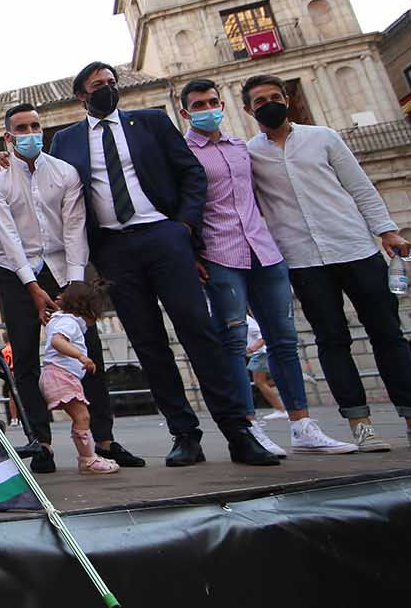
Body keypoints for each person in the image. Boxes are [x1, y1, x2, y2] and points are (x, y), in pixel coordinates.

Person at [47, 61, 276, 467]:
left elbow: (191, 174)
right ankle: (184, 434)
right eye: (98, 85)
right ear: (82, 95)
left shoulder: (150, 122)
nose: (108, 89)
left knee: (199, 333)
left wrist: (184, 227)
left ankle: (238, 431)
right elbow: (52, 192)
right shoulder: (65, 142)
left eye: (111, 83)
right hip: (114, 249)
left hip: (164, 237)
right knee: (149, 345)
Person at [242, 74, 411, 451]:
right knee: (331, 340)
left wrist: (387, 231)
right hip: (303, 259)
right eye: (260, 101)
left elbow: (360, 186)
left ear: (288, 100)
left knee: (388, 334)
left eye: (276, 97)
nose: (269, 104)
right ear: (248, 109)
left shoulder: (323, 137)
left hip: (355, 247)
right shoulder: (250, 154)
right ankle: (360, 424)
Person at [179, 78, 355, 457]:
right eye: (198, 105)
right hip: (219, 255)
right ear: (185, 113)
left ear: (223, 105)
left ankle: (302, 425)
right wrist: (191, 255)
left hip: (264, 252)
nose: (208, 109)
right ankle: (248, 427)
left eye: (213, 102)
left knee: (284, 339)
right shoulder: (183, 154)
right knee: (233, 344)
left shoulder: (242, 148)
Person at [0, 103, 144, 473]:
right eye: (21, 128)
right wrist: (33, 287)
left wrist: (73, 284)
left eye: (36, 126)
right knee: (23, 356)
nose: (30, 133)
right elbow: (6, 236)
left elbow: (74, 228)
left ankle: (103, 440)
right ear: (8, 136)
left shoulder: (65, 173)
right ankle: (42, 443)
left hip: (63, 268)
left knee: (88, 351)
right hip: (14, 269)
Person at [40, 283, 120, 475]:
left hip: (57, 375)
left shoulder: (61, 319)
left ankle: (88, 457)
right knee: (82, 416)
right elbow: (57, 341)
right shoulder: (70, 323)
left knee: (80, 416)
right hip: (61, 376)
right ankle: (87, 460)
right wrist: (81, 356)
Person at [245, 317, 288, 420]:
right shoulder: (243, 319)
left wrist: (254, 347)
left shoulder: (247, 320)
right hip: (259, 353)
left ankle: (280, 410)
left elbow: (264, 335)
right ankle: (290, 379)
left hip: (260, 353)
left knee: (259, 382)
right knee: (263, 382)